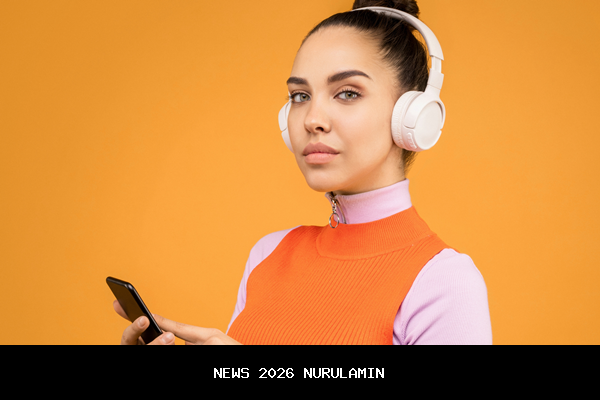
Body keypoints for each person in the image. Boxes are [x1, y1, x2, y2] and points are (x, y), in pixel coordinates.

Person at [114, 0, 492, 345]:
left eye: (347, 93)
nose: (312, 119)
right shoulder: (268, 255)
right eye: (300, 96)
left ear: (412, 115)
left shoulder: (443, 282)